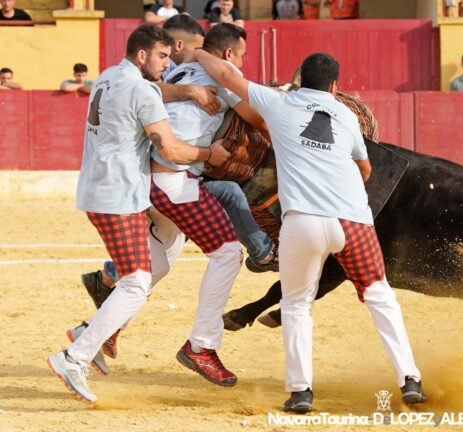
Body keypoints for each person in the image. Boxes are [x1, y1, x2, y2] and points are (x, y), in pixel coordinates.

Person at [190, 49, 427, 413]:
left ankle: (301, 391)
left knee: (297, 304)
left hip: (303, 222)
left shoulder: (279, 102)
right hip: (353, 221)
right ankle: (410, 379)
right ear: (335, 85)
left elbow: (224, 73)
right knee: (380, 296)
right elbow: (364, 170)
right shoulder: (347, 116)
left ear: (300, 78)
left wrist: (195, 52)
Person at [46, 24, 231, 404]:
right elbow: (173, 151)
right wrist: (210, 155)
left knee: (151, 266)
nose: (168, 64)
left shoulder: (109, 76)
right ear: (143, 55)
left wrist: (188, 90)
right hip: (119, 196)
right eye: (162, 57)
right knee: (136, 282)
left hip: (98, 189)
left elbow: (154, 90)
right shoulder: (143, 90)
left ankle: (87, 335)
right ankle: (74, 357)